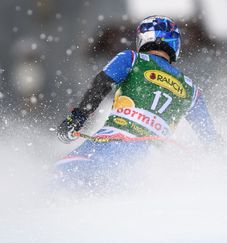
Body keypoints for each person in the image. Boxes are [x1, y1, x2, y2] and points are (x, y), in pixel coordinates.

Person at [55, 16, 218, 191]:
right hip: (149, 161)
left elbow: (101, 85)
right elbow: (211, 140)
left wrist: (77, 118)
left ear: (143, 39)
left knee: (59, 183)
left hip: (109, 143)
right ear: (175, 45)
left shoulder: (131, 58)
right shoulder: (192, 89)